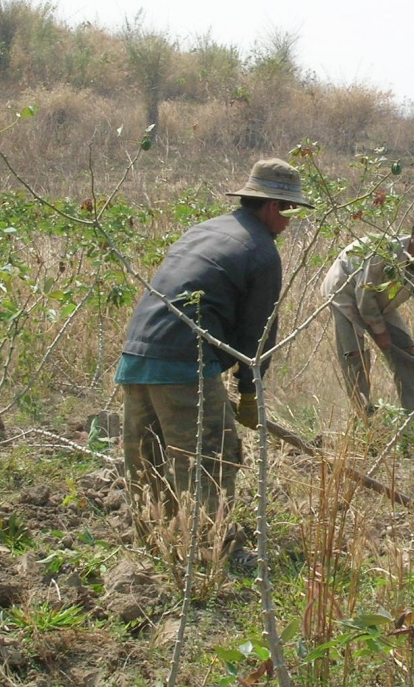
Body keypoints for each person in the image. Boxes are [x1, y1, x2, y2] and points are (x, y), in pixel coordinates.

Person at [116, 157, 312, 529]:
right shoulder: (261, 251)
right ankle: (206, 546)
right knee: (211, 457)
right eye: (290, 212)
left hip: (137, 354)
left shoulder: (204, 230)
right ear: (273, 206)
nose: (289, 223)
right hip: (182, 363)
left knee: (148, 459)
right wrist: (250, 391)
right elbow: (258, 332)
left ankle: (155, 542)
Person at [321, 210, 414, 422]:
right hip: (345, 290)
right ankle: (365, 419)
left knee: (407, 352)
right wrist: (379, 331)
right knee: (355, 356)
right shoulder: (384, 252)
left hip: (380, 303)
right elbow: (364, 294)